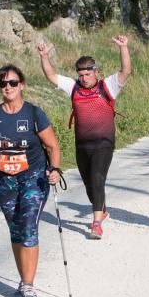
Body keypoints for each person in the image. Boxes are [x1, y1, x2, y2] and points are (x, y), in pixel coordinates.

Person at [0, 63, 61, 297]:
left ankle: (29, 286)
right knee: (16, 231)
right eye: (3, 83)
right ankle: (22, 282)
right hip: (5, 181)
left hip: (34, 177)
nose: (7, 87)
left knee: (28, 227)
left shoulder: (34, 114)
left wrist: (55, 169)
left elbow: (52, 146)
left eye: (13, 83)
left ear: (22, 85)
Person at [37, 36, 131, 240]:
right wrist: (44, 56)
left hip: (104, 142)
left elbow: (125, 71)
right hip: (82, 144)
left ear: (96, 72)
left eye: (88, 74)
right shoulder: (74, 87)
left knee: (97, 178)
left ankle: (96, 223)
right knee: (89, 184)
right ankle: (101, 208)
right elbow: (51, 75)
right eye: (81, 75)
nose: (84, 78)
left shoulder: (108, 86)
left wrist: (123, 48)